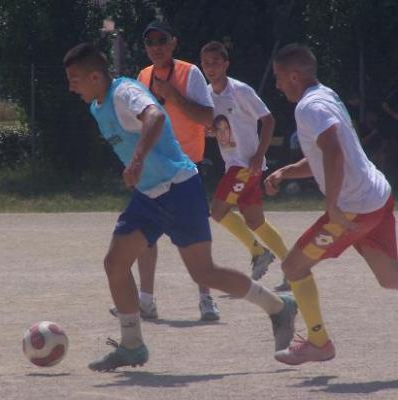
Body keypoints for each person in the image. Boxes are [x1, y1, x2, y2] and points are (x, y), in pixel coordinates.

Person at [63, 42, 297, 372]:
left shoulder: (123, 92)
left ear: (95, 76)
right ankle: (132, 345)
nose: (71, 86)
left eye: (75, 79)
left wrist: (138, 159)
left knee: (205, 273)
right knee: (115, 262)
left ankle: (278, 307)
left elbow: (156, 116)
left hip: (179, 188)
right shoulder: (97, 107)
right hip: (149, 195)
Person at [265, 43, 398, 365]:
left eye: (279, 77)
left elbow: (335, 153)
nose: (278, 85)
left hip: (354, 208)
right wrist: (286, 172)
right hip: (376, 196)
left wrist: (333, 205)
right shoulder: (326, 95)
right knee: (391, 278)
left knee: (294, 267)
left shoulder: (309, 108)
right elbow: (327, 155)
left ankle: (318, 342)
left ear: (294, 75)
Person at [110, 20, 219, 321]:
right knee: (146, 237)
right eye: (150, 42)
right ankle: (146, 300)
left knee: (196, 239)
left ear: (173, 43)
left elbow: (208, 117)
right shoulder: (142, 76)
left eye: (162, 40)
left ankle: (206, 298)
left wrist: (173, 96)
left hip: (186, 169)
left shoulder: (190, 72)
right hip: (154, 170)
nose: (156, 47)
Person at [200, 41, 289, 284]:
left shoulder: (240, 90)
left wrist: (260, 154)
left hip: (245, 165)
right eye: (206, 63)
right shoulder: (207, 95)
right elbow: (222, 127)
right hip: (235, 165)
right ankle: (292, 266)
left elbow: (268, 120)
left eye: (216, 62)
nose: (210, 67)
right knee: (254, 220)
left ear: (226, 64)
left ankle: (259, 252)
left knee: (217, 211)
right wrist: (213, 132)